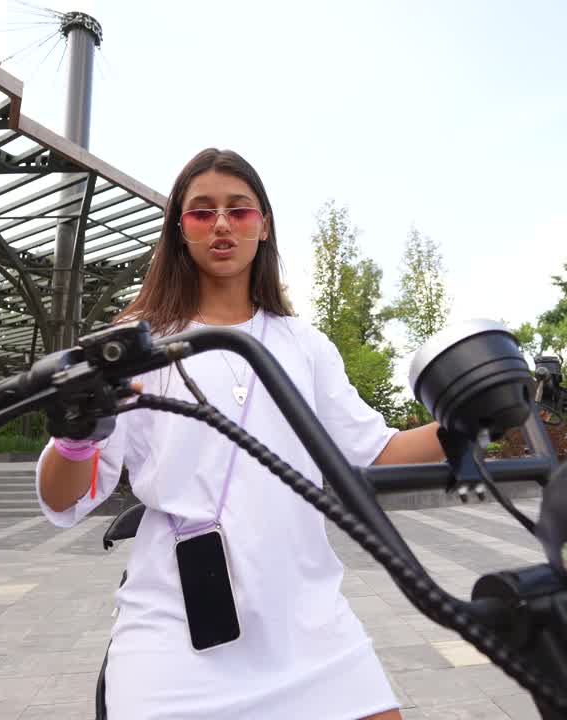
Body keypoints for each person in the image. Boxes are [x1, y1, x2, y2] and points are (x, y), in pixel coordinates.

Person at [36, 148, 445, 720]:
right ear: (180, 231)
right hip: (175, 629)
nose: (222, 223)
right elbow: (65, 498)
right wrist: (75, 436)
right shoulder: (132, 345)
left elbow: (378, 451)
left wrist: (470, 419)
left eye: (239, 209)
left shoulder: (304, 344)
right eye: (202, 212)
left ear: (264, 224)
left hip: (307, 620)